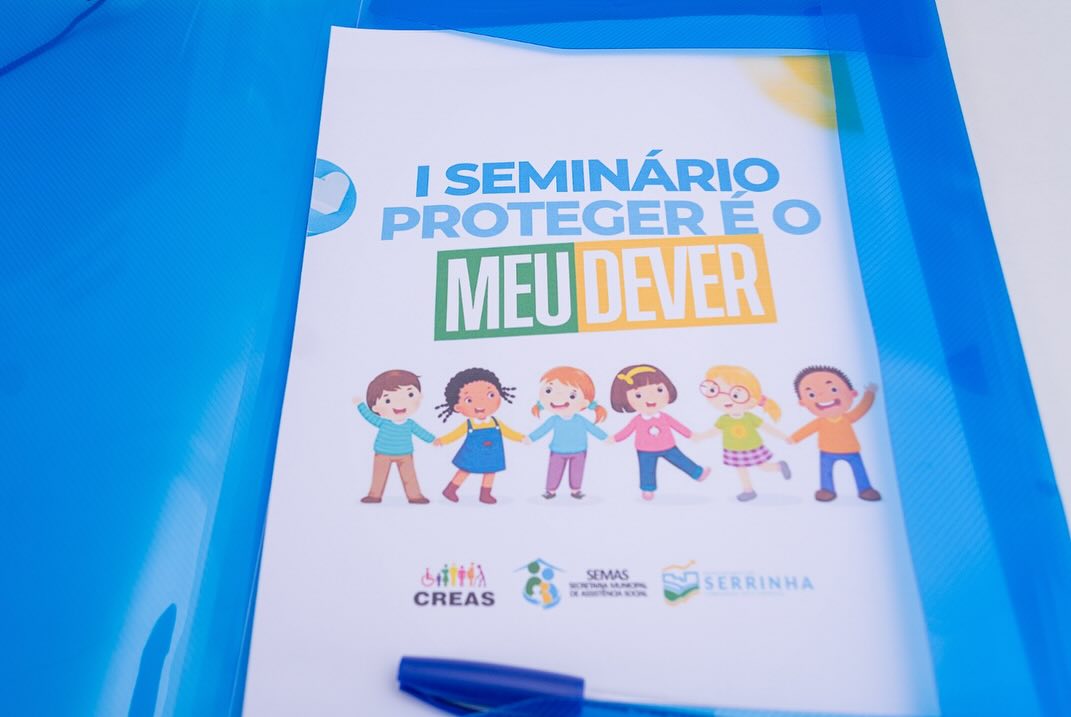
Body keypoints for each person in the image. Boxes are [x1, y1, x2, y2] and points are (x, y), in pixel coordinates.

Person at [788, 365, 882, 502]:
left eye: (833, 389)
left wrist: (869, 393)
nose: (823, 396)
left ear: (852, 393)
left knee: (858, 469)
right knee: (826, 471)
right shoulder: (820, 422)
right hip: (827, 450)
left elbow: (862, 409)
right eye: (811, 394)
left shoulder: (848, 418)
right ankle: (827, 489)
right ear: (803, 403)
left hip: (851, 450)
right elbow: (807, 429)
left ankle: (865, 489)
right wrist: (794, 438)